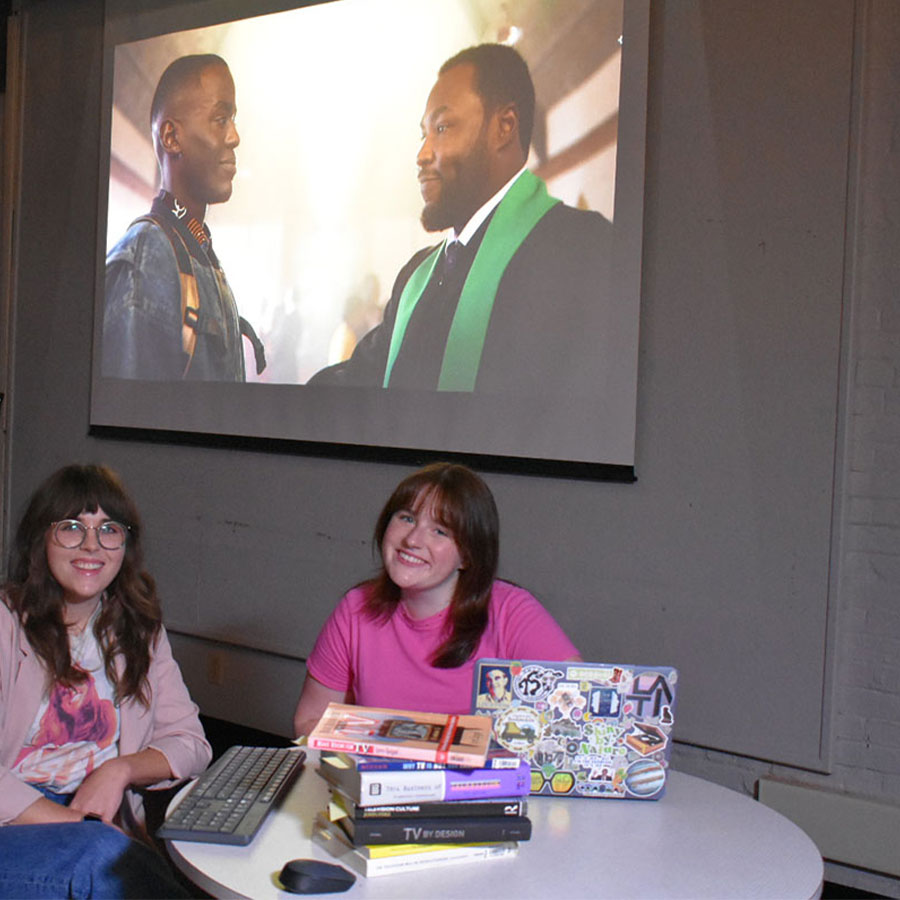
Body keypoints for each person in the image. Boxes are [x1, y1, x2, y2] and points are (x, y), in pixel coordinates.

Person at [308, 43, 612, 395]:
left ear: (504, 126)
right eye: (424, 134)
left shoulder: (584, 252)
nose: (421, 155)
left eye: (442, 127)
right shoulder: (416, 276)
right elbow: (362, 380)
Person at [0, 464, 212, 898]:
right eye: (72, 527)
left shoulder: (138, 628)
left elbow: (192, 744)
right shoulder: (5, 623)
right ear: (41, 538)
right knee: (103, 860)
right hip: (17, 821)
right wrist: (79, 826)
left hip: (99, 823)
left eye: (109, 529)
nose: (92, 545)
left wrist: (119, 770)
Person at [293, 463, 579, 736]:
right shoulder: (355, 608)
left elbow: (577, 711)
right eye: (407, 518)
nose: (413, 540)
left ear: (468, 554)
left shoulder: (511, 611)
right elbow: (309, 721)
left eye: (439, 531)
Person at [103, 54, 265, 381]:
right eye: (220, 119)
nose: (234, 136)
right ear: (171, 138)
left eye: (232, 119)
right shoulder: (147, 260)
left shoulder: (197, 253)